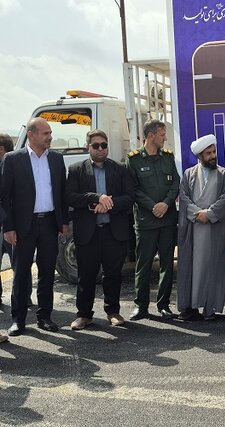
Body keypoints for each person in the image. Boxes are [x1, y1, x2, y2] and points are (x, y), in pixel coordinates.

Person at [2, 118, 70, 336]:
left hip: (49, 223)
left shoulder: (56, 159)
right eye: (45, 133)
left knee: (47, 272)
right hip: (24, 226)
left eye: (50, 133)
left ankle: (44, 317)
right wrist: (8, 227)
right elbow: (4, 197)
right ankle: (18, 320)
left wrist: (64, 221)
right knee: (21, 273)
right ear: (31, 135)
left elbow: (62, 193)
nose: (50, 137)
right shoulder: (13, 159)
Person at [65, 129, 134, 330]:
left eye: (104, 145)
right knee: (86, 276)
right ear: (88, 147)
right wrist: (95, 199)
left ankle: (113, 312)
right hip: (88, 233)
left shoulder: (120, 169)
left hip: (113, 231)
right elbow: (70, 197)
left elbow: (129, 197)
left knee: (113, 275)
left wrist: (108, 204)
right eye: (96, 145)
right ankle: (84, 315)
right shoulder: (76, 170)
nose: (100, 149)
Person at [126, 119, 180, 321]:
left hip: (167, 220)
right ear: (150, 135)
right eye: (162, 134)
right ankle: (140, 306)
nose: (165, 138)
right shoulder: (133, 160)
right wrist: (152, 206)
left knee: (167, 264)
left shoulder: (168, 157)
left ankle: (163, 305)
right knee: (144, 264)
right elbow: (132, 189)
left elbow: (176, 183)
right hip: (146, 222)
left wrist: (165, 204)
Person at [176, 134, 225, 321]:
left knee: (212, 267)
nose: (212, 156)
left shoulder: (224, 174)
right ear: (199, 156)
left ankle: (210, 308)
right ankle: (190, 307)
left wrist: (209, 214)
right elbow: (184, 197)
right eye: (208, 153)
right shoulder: (188, 174)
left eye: (214, 152)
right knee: (192, 268)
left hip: (214, 229)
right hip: (193, 229)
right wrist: (196, 213)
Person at [0, 133, 14, 306]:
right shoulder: (21, 164)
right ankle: (24, 297)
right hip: (13, 223)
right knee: (20, 263)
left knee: (20, 262)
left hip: (9, 224)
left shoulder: (9, 165)